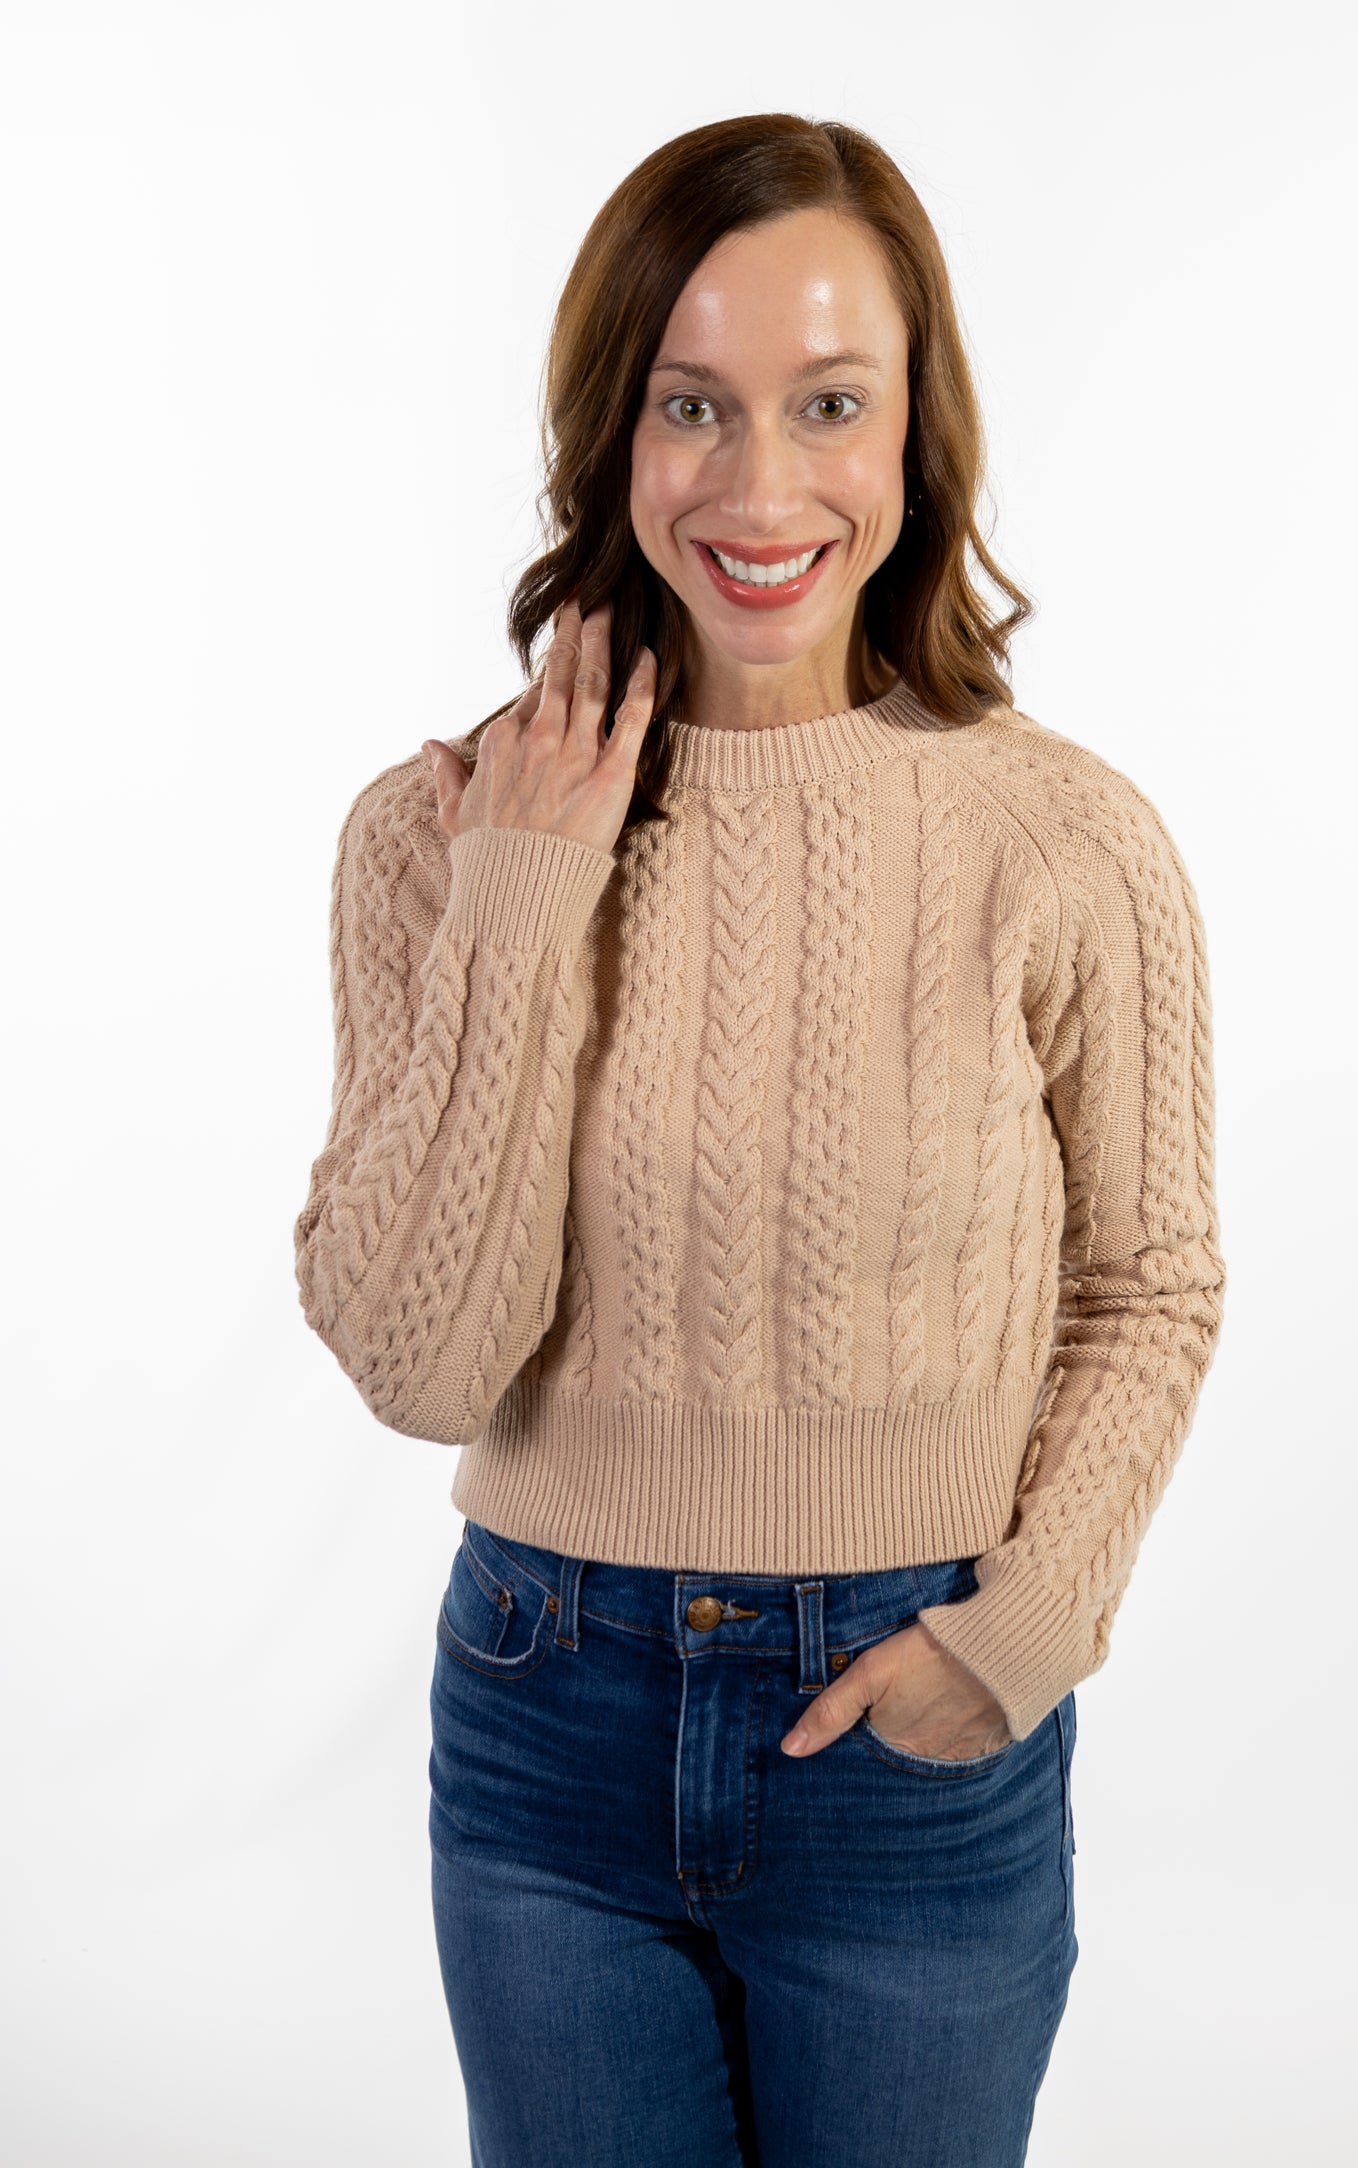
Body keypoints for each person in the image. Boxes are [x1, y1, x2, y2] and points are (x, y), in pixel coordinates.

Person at [293, 112, 1226, 2168]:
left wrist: (1023, 1635)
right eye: (691, 406)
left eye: (830, 405)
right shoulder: (432, 838)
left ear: (918, 436)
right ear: (610, 435)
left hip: (911, 1732)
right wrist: (528, 896)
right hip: (549, 1726)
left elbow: (1149, 1282)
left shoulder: (1062, 837)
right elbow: (424, 1367)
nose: (762, 485)